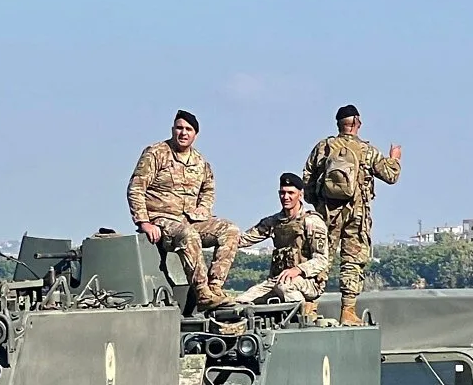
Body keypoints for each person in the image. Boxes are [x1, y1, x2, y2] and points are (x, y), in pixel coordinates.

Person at [127, 109, 241, 309]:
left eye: (188, 129)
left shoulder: (199, 161)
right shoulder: (156, 153)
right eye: (179, 128)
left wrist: (203, 209)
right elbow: (136, 188)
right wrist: (143, 222)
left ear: (195, 134)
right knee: (188, 235)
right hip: (162, 220)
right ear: (173, 130)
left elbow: (208, 189)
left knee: (230, 229)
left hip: (190, 219)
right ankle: (202, 292)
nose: (183, 133)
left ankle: (214, 288)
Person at [302, 104, 402, 326]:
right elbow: (391, 175)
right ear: (357, 123)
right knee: (352, 261)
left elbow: (307, 177)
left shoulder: (324, 147)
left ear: (339, 124)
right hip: (357, 215)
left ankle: (309, 307)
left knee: (320, 257)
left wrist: (318, 201)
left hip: (327, 213)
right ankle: (347, 311)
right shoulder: (367, 150)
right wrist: (394, 158)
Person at [233, 174, 331, 310]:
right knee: (240, 302)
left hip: (308, 281)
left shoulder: (311, 221)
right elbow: (243, 239)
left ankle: (303, 314)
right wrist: (222, 236)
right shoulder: (274, 222)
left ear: (300, 194)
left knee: (285, 287)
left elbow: (321, 260)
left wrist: (298, 270)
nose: (286, 197)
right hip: (277, 279)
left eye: (291, 193)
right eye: (282, 193)